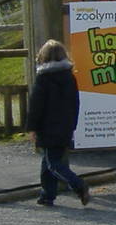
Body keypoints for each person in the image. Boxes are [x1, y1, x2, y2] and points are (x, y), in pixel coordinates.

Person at [25, 39, 90, 207]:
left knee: (53, 165)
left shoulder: (43, 79)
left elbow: (36, 106)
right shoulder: (70, 77)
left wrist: (32, 127)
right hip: (65, 126)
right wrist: (73, 124)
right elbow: (75, 103)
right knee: (47, 163)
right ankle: (47, 195)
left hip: (48, 127)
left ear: (43, 58)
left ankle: (78, 184)